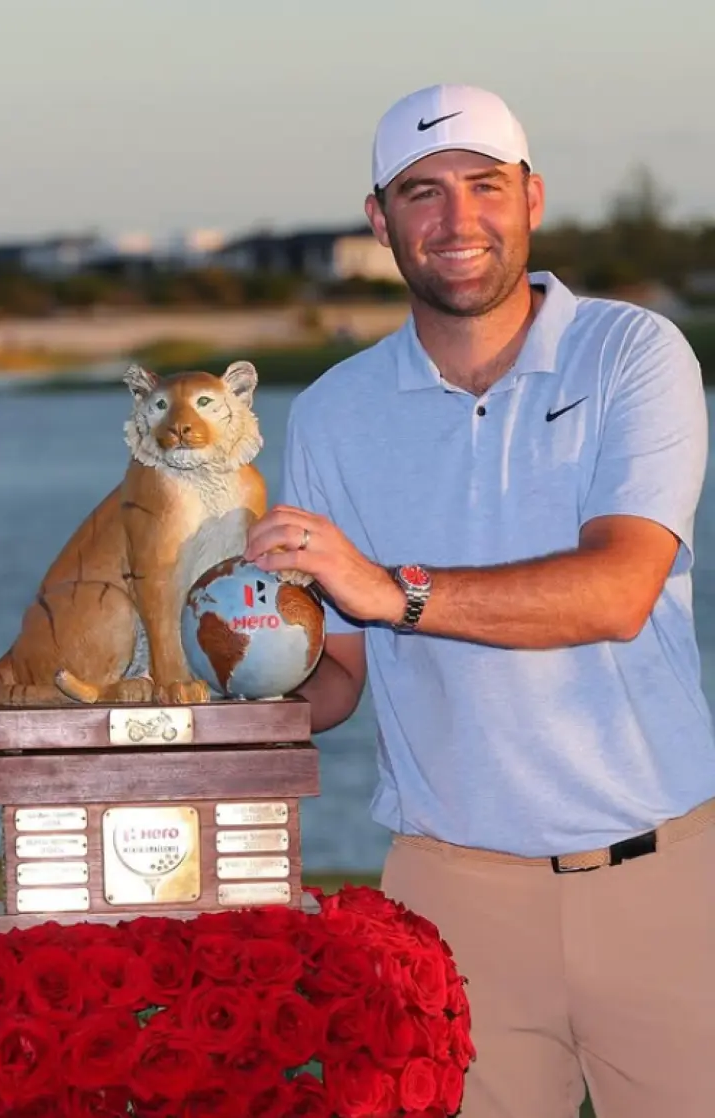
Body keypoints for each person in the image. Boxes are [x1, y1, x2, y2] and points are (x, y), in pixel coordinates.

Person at [244, 82, 715, 1118]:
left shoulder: (633, 354)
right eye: (420, 192)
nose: (456, 221)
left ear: (531, 196)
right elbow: (334, 678)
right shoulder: (331, 413)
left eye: (481, 186)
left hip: (663, 879)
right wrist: (212, 683)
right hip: (448, 895)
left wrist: (387, 588)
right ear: (378, 222)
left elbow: (616, 588)